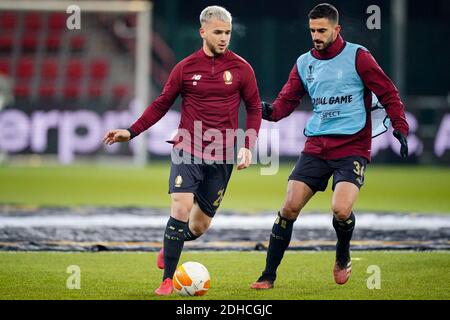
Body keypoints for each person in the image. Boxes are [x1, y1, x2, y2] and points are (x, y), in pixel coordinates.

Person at [103, 6, 261, 296]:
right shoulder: (185, 68)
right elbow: (161, 104)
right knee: (180, 207)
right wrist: (132, 131)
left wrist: (248, 146)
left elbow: (253, 108)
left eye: (227, 32)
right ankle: (167, 280)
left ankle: (169, 245)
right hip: (187, 147)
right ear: (203, 32)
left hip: (223, 155)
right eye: (217, 32)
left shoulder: (242, 69)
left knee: (199, 227)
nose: (224, 38)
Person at [250, 3, 409, 289]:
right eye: (312, 30)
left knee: (341, 209)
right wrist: (269, 111)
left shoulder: (359, 57)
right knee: (288, 208)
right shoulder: (304, 62)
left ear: (337, 29)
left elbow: (388, 92)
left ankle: (343, 254)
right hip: (316, 146)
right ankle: (268, 275)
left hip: (352, 146)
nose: (316, 36)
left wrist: (400, 127)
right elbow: (288, 100)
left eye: (322, 30)